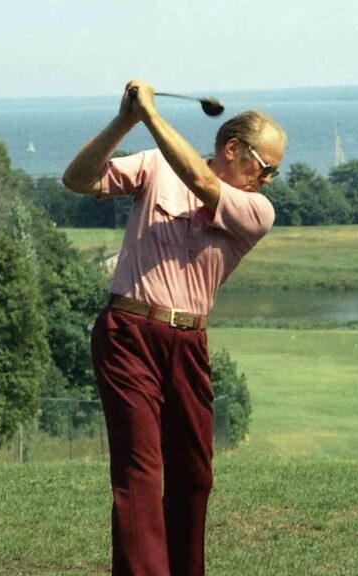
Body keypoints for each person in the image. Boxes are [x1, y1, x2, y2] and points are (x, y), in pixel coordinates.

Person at [62, 80, 285, 576]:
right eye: (266, 167)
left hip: (188, 343)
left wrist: (152, 117)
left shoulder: (257, 210)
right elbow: (76, 179)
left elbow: (202, 185)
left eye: (274, 171)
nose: (270, 179)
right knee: (139, 470)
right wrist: (126, 120)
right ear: (233, 148)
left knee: (193, 475)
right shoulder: (153, 165)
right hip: (127, 333)